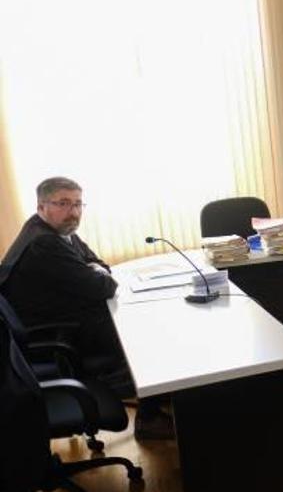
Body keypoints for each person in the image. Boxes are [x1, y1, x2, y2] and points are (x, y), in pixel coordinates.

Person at [0, 177, 173, 440]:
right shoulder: (43, 243)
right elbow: (103, 287)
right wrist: (96, 273)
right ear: (42, 206)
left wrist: (95, 270)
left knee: (143, 324)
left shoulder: (58, 231)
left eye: (79, 204)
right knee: (145, 337)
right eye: (64, 203)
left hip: (63, 320)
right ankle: (149, 417)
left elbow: (97, 263)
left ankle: (159, 398)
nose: (74, 212)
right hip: (55, 334)